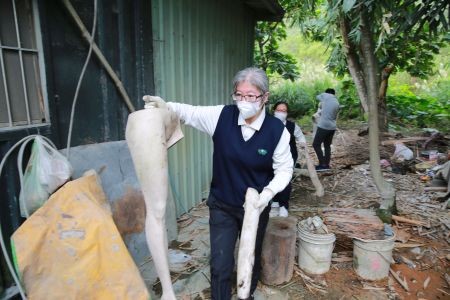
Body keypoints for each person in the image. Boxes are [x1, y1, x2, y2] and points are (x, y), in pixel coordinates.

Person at [145, 67, 293, 300]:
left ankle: (247, 294)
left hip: (255, 208)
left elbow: (285, 170)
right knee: (220, 263)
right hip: (222, 204)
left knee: (250, 258)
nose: (244, 101)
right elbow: (189, 113)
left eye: (251, 96)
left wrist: (267, 194)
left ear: (265, 97)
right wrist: (165, 106)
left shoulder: (277, 131)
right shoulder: (222, 116)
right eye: (239, 95)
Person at [271, 101, 306, 217]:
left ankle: (283, 206)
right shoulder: (268, 124)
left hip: (289, 157)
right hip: (272, 156)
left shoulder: (292, 126)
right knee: (273, 178)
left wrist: (303, 146)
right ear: (274, 111)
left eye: (284, 111)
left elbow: (301, 137)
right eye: (279, 110)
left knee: (285, 180)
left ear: (287, 113)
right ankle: (274, 203)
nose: (281, 112)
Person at [312, 88, 340, 171]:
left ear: (327, 93)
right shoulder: (336, 102)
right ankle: (326, 165)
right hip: (332, 127)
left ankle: (322, 164)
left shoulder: (326, 96)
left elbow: (317, 97)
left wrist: (323, 96)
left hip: (324, 126)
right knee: (327, 146)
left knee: (316, 144)